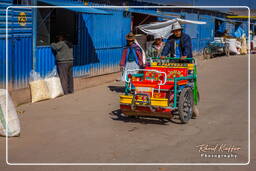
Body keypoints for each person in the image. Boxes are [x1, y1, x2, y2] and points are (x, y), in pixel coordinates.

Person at [161, 23, 199, 118]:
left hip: (185, 62)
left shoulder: (186, 38)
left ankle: (192, 104)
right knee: (170, 81)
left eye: (178, 30)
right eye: (175, 31)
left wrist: (185, 55)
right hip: (174, 62)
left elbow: (187, 47)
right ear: (173, 32)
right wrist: (163, 54)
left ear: (181, 30)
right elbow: (166, 48)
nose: (177, 32)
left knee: (188, 83)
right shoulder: (170, 39)